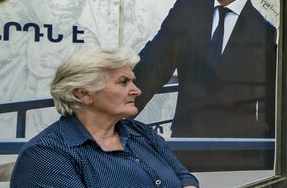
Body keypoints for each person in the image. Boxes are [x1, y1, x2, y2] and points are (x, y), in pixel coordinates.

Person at [134, 0, 277, 170]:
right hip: (185, 156)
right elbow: (150, 69)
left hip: (239, 162)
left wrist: (269, 169)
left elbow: (269, 110)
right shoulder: (185, 11)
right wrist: (111, 116)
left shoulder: (265, 32)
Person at [10, 48, 198, 188]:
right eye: (123, 82)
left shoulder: (141, 132)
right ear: (83, 93)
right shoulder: (46, 155)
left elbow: (184, 177)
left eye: (133, 81)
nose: (137, 91)